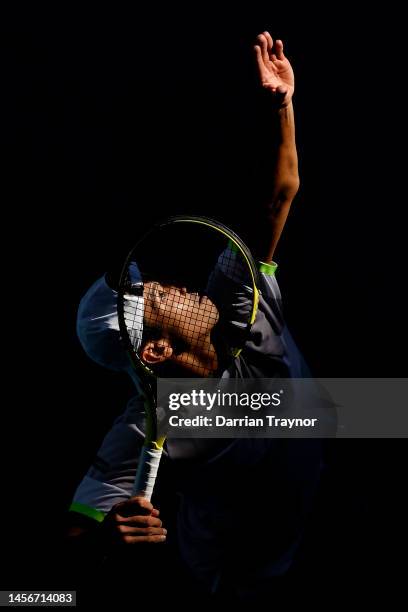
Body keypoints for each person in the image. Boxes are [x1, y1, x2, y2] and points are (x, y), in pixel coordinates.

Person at [67, 31, 323, 600]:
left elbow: (280, 193)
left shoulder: (236, 302)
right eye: (156, 296)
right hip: (243, 571)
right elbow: (75, 529)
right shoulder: (147, 425)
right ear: (154, 351)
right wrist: (106, 532)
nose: (172, 284)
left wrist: (282, 106)